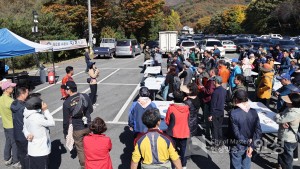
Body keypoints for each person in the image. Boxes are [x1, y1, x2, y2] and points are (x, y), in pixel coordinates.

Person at [63, 81, 93, 168]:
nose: (65, 91)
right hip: (88, 125)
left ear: (69, 90)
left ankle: (84, 165)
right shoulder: (85, 96)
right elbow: (91, 110)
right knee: (89, 144)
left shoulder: (66, 103)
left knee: (80, 148)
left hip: (77, 128)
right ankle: (91, 159)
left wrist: (65, 132)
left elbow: (66, 121)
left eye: (66, 89)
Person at [229, 90, 262, 169]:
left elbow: (236, 133)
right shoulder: (254, 111)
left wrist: (247, 143)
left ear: (236, 99)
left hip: (237, 144)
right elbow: (258, 131)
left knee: (235, 166)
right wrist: (251, 145)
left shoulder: (233, 113)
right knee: (246, 165)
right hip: (249, 143)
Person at [23, 96, 55, 169]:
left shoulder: (26, 114)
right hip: (41, 150)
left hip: (32, 149)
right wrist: (46, 110)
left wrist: (27, 134)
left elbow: (24, 128)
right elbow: (52, 122)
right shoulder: (37, 117)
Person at [275, 93, 300, 169]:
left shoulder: (292, 113)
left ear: (292, 103)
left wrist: (279, 116)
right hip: (286, 137)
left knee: (287, 159)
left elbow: (278, 119)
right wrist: (282, 119)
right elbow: (282, 117)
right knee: (281, 153)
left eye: (287, 101)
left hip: (287, 139)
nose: (285, 102)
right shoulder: (291, 109)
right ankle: (280, 166)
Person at [165, 90, 190, 168]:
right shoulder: (187, 108)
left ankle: (173, 165)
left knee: (173, 150)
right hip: (184, 131)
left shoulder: (171, 108)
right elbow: (188, 119)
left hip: (173, 132)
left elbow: (167, 121)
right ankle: (184, 164)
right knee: (183, 149)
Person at [0, 81, 20, 167]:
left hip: (5, 124)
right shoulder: (11, 101)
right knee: (14, 143)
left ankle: (7, 158)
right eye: (11, 87)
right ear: (6, 89)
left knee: (8, 141)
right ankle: (16, 161)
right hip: (12, 125)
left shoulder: (1, 98)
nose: (12, 88)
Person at [11, 87, 29, 169]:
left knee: (21, 153)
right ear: (22, 94)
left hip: (16, 133)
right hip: (24, 134)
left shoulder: (13, 104)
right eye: (26, 93)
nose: (27, 95)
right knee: (28, 154)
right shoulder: (24, 107)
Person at [199, 68, 217, 139]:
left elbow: (209, 91)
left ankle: (208, 134)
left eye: (210, 71)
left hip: (208, 100)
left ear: (212, 72)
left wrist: (203, 88)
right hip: (210, 100)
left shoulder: (211, 81)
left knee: (208, 118)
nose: (209, 71)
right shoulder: (214, 80)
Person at [209, 76, 226, 149]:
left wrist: (211, 115)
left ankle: (216, 144)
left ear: (215, 82)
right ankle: (220, 142)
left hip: (215, 112)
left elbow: (213, 105)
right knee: (219, 127)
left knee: (215, 128)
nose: (213, 82)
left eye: (214, 81)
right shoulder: (224, 90)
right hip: (221, 111)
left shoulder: (215, 92)